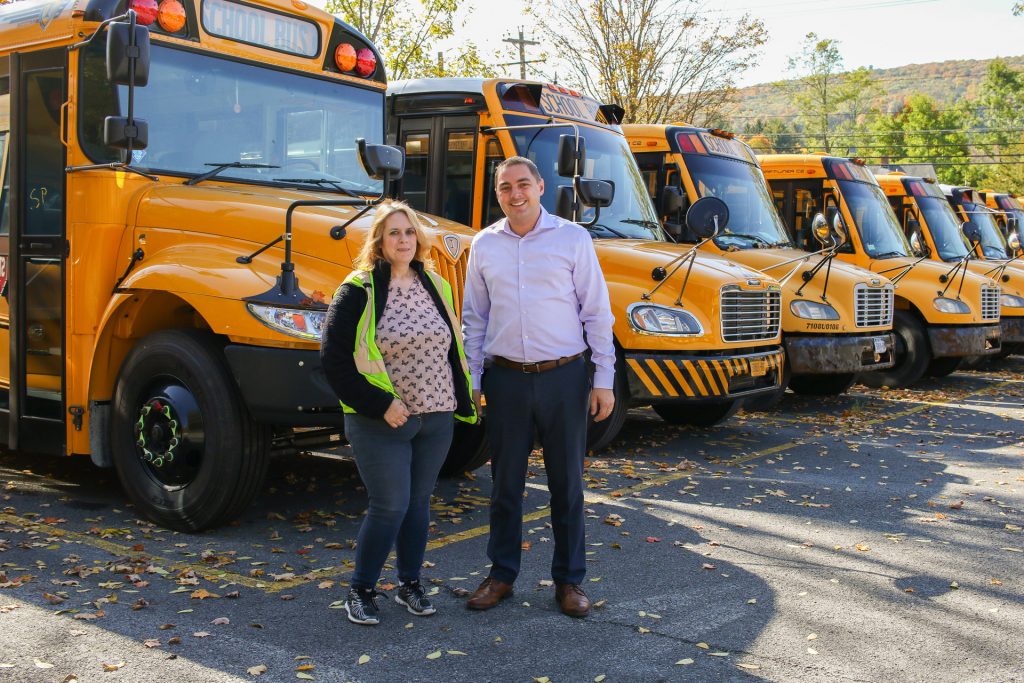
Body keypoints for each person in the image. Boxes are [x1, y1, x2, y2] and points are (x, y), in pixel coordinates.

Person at [462, 156, 616, 618]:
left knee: (566, 484)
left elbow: (597, 312)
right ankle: (502, 574)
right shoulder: (484, 245)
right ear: (498, 193)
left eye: (523, 184)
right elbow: (475, 319)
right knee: (504, 484)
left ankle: (569, 581)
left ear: (541, 187)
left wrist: (603, 380)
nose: (515, 194)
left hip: (565, 378)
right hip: (506, 378)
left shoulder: (573, 238)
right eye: (506, 187)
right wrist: (473, 377)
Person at [320, 200, 477, 625]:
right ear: (379, 241)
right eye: (393, 233)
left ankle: (410, 584)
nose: (403, 240)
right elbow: (334, 361)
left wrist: (466, 394)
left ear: (418, 240)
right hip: (381, 420)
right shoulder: (357, 289)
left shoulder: (436, 284)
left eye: (409, 232)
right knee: (390, 504)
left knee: (419, 504)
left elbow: (451, 348)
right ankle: (360, 590)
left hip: (436, 416)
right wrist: (381, 404)